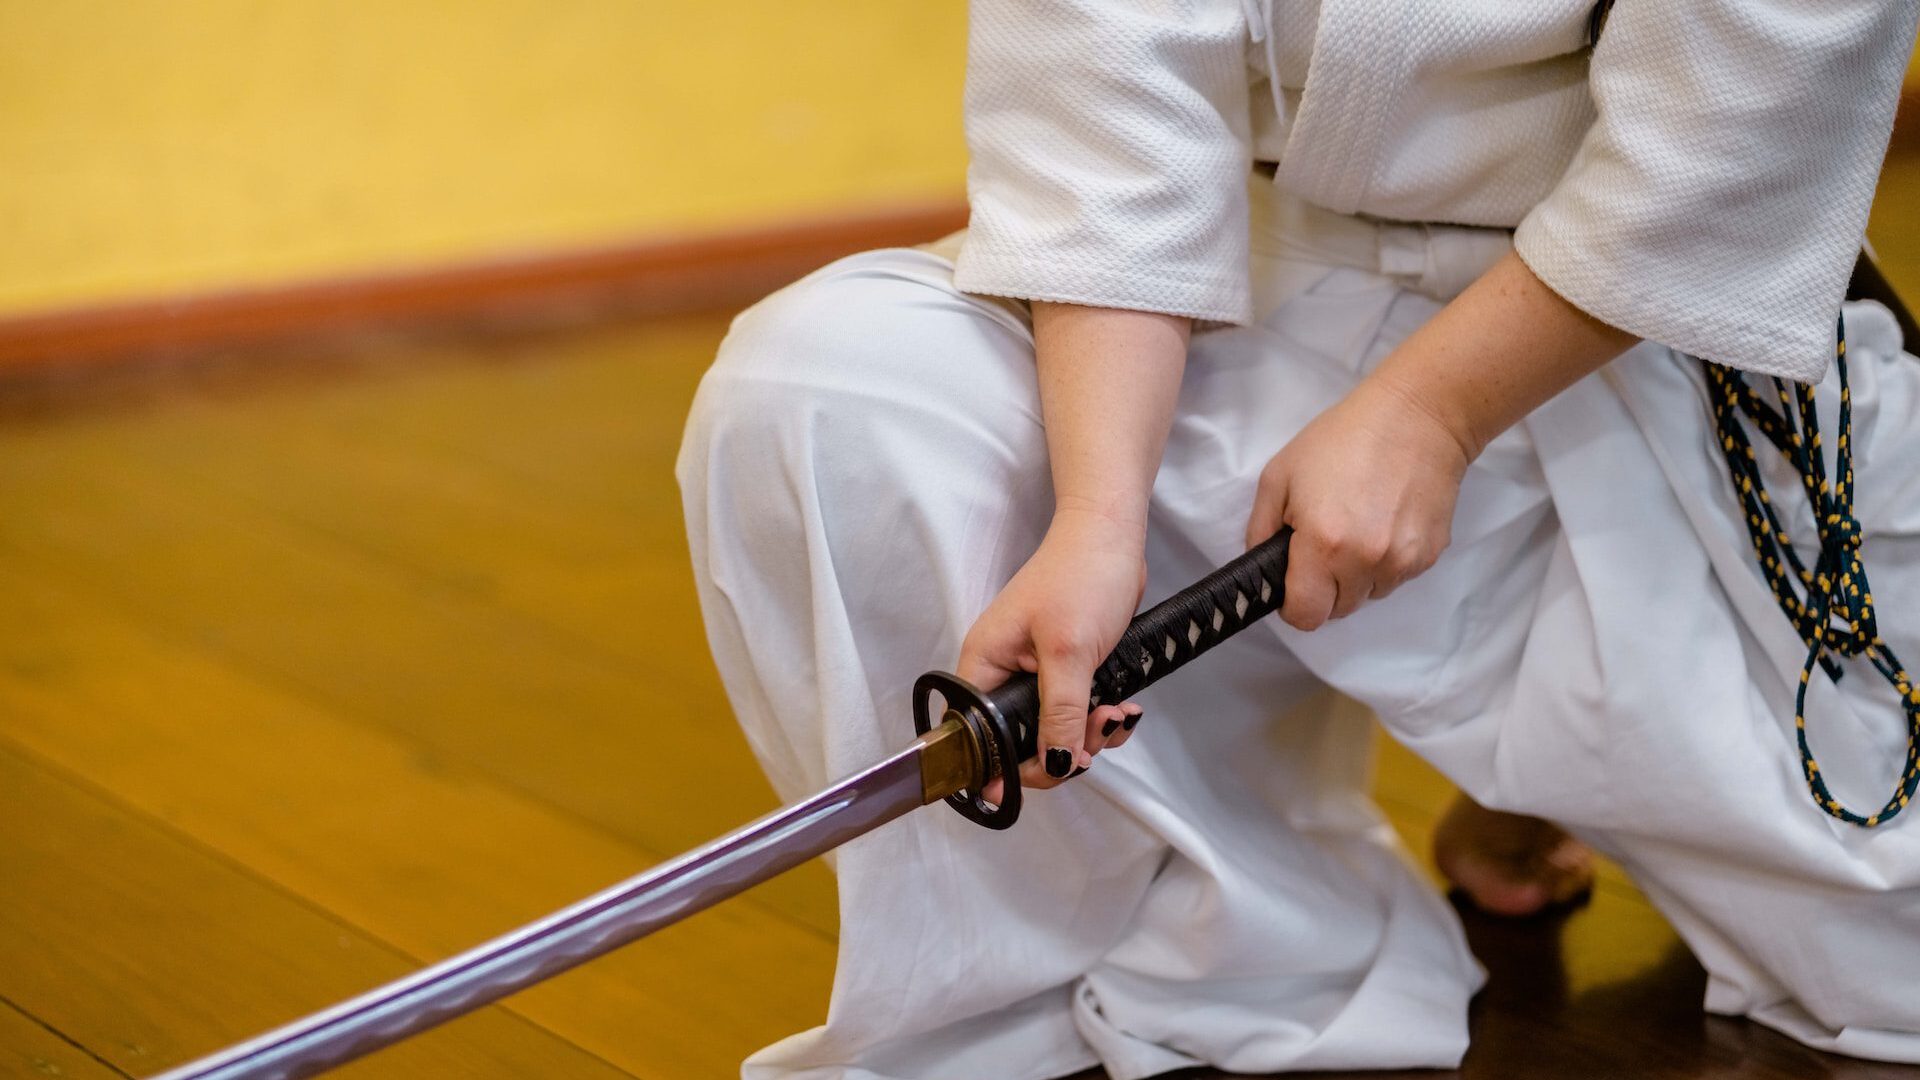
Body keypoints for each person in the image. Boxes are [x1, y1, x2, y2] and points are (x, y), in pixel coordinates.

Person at [677, 1, 1920, 1076]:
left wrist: (1434, 412)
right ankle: (1219, 937)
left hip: (1616, 324)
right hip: (1218, 292)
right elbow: (1107, 92)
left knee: (1897, 959)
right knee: (834, 389)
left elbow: (1748, 106)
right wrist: (1097, 519)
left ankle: (1547, 765)